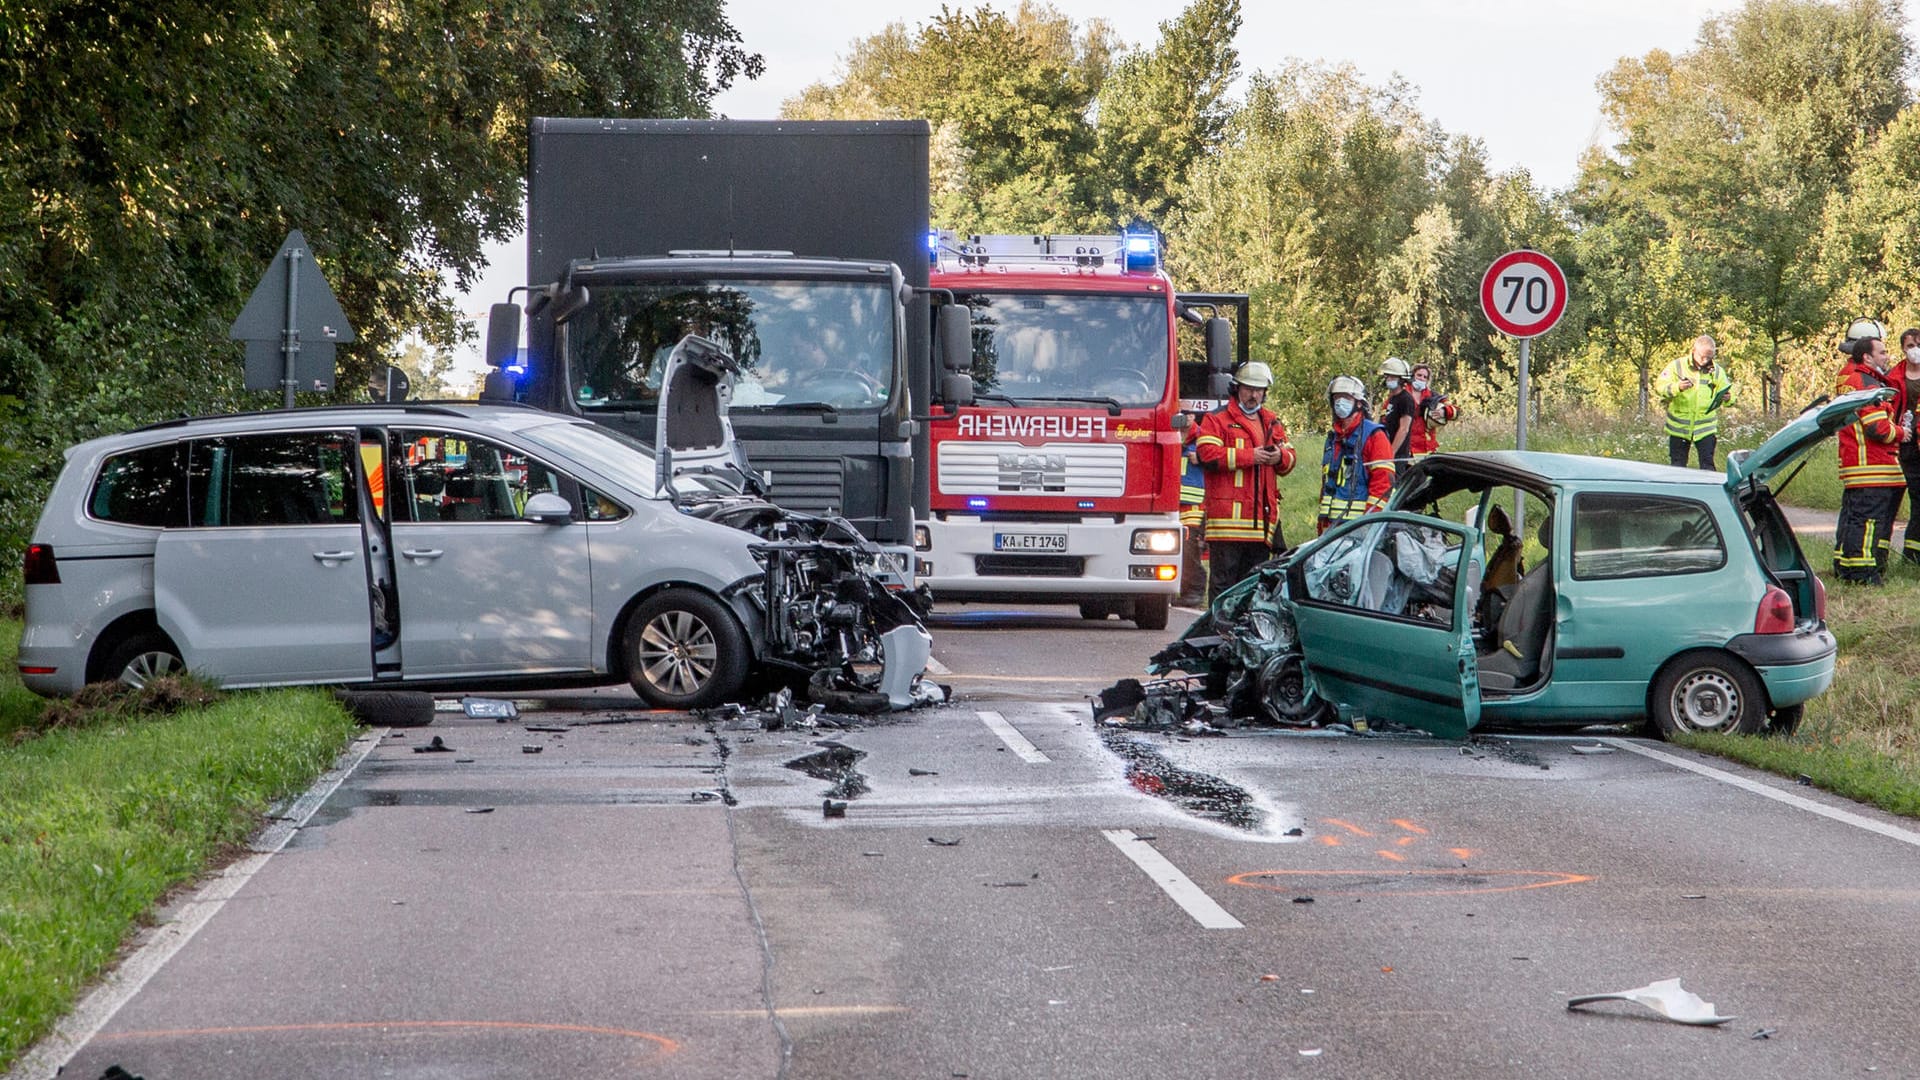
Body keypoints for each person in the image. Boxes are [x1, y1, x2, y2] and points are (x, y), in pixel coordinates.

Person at [1193, 361, 1296, 602]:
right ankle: (1216, 634)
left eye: (1259, 390)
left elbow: (1290, 461)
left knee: (1253, 588)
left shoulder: (1271, 421)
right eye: (1248, 388)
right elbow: (1207, 454)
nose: (1253, 395)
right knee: (1224, 586)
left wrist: (1279, 456)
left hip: (1259, 525)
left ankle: (1246, 635)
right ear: (1237, 388)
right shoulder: (1217, 419)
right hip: (1227, 524)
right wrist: (1252, 456)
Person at [1833, 323, 1905, 584]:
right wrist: (1900, 433)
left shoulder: (1848, 376)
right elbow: (1877, 428)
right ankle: (1864, 575)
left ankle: (1846, 568)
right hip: (1872, 465)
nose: (1887, 357)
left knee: (1854, 520)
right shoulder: (1866, 382)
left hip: (1857, 462)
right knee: (1868, 523)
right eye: (1883, 352)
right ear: (1867, 355)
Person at [1317, 375, 1395, 534]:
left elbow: (1383, 486)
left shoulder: (1374, 436)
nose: (1340, 402)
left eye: (1346, 397)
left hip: (1359, 530)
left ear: (1359, 402)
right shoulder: (1333, 439)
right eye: (1337, 397)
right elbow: (1326, 488)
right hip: (1330, 531)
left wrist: (1369, 526)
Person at [1653, 334, 1733, 469]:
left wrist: (1729, 398)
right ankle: (1677, 490)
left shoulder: (1717, 371)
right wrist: (1677, 387)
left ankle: (1707, 489)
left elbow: (1728, 390)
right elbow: (1660, 387)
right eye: (1702, 356)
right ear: (1693, 350)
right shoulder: (1677, 365)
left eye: (1709, 357)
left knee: (1708, 466)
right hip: (1679, 428)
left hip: (1705, 428)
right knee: (1677, 467)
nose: (1705, 360)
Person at [1895, 327, 1920, 568]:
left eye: (1918, 345)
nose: (1914, 351)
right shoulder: (1895, 376)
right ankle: (1911, 556)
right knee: (1914, 496)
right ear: (1903, 348)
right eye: (1910, 346)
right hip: (1904, 443)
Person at [1407, 362, 1457, 460]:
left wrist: (1444, 411)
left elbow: (1456, 411)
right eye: (1419, 375)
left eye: (1425, 377)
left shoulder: (1433, 396)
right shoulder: (1402, 394)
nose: (1421, 378)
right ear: (1412, 376)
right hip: (1406, 446)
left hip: (1426, 446)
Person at [1377, 357, 1419, 472]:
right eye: (1387, 376)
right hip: (1385, 451)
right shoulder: (1391, 398)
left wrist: (1391, 453)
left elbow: (1403, 429)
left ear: (1401, 379)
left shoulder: (1406, 399)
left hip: (1397, 456)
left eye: (1393, 377)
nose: (1389, 379)